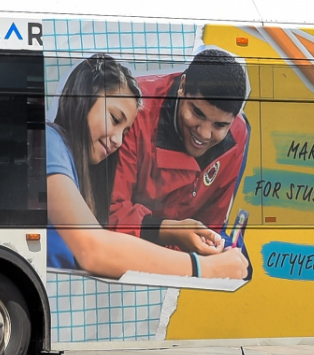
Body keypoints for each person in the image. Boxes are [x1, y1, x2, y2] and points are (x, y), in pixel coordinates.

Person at [46, 53, 247, 280]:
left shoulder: (70, 159)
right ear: (82, 98)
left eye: (125, 131)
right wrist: (202, 268)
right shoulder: (50, 144)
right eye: (114, 118)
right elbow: (95, 249)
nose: (118, 141)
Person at [107, 47, 251, 262]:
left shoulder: (238, 135)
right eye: (197, 113)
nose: (204, 133)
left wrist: (212, 247)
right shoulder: (135, 108)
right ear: (182, 87)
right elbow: (109, 212)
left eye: (220, 125)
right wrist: (170, 232)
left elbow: (210, 225)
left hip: (178, 267)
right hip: (118, 253)